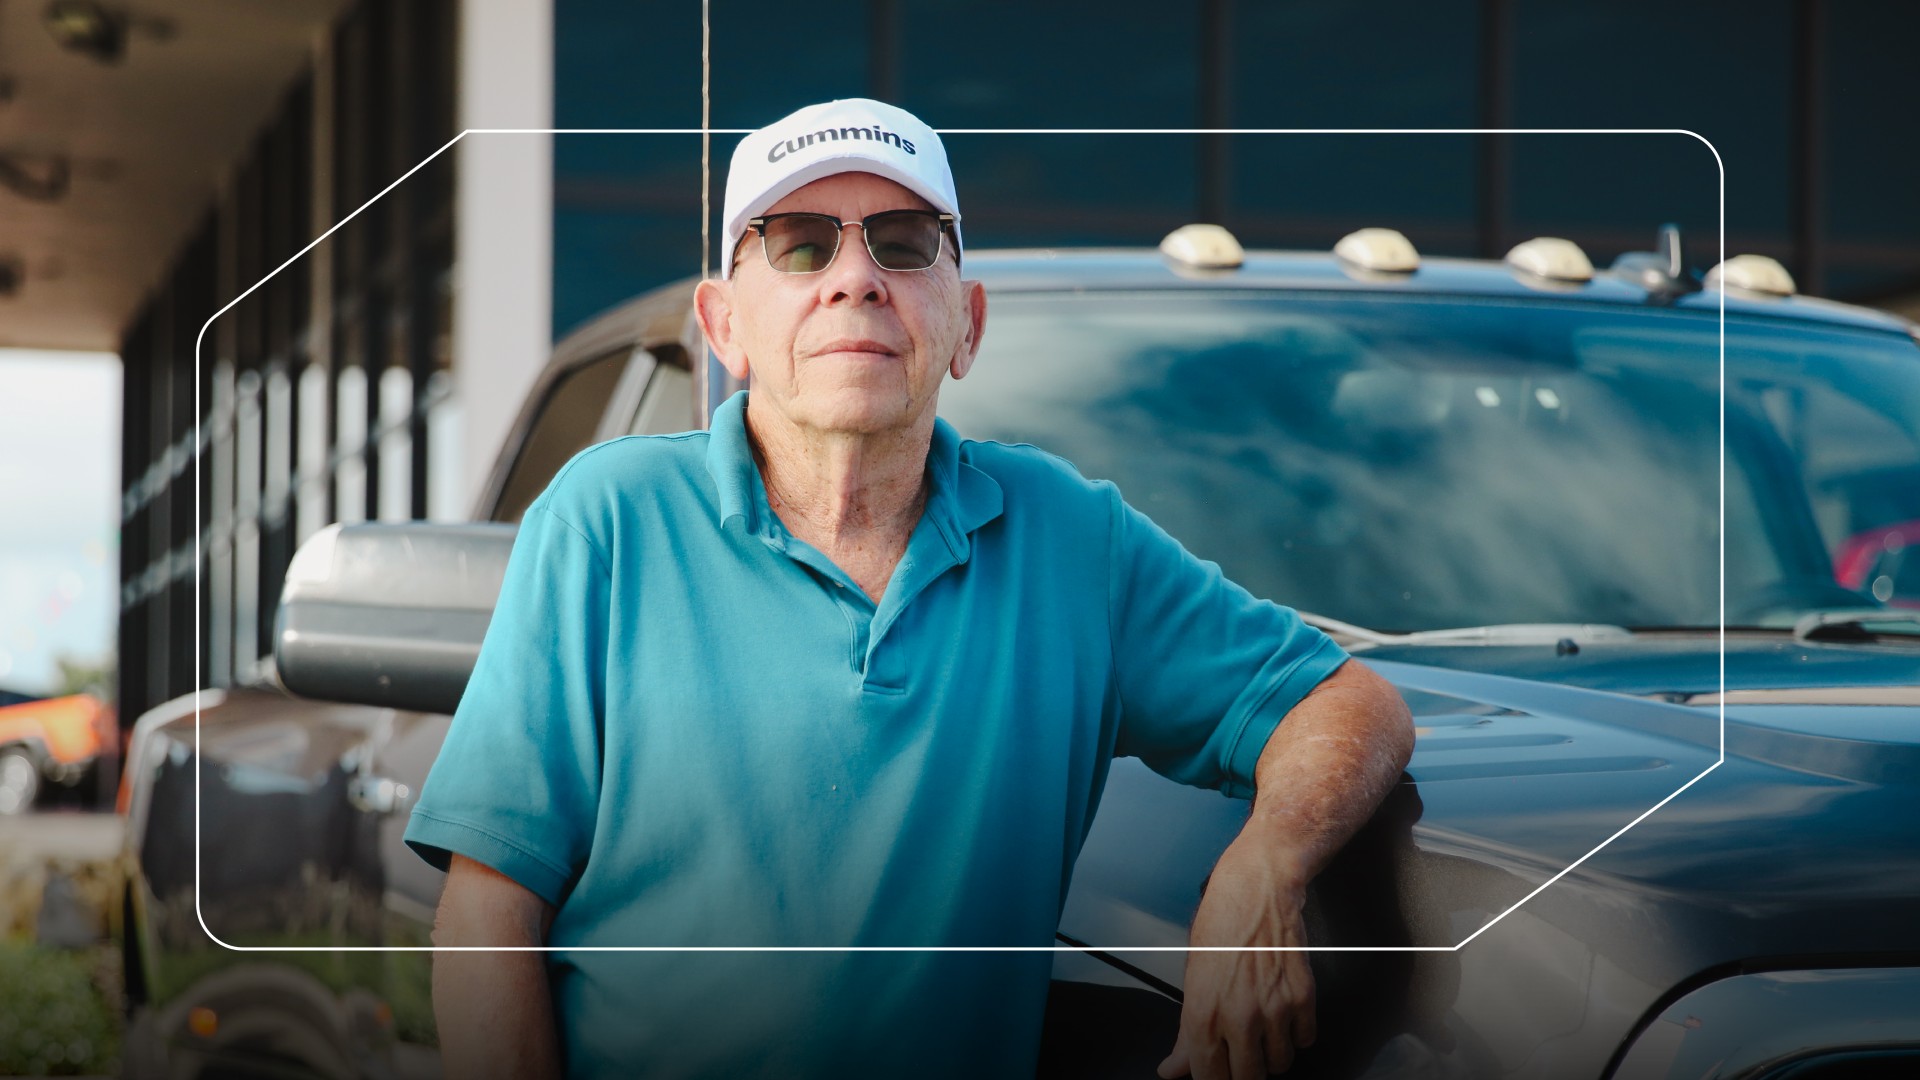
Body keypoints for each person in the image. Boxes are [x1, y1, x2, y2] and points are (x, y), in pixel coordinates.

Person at [404, 97, 1414, 1080]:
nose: (856, 278)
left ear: (966, 324)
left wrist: (1266, 863)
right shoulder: (606, 519)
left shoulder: (1072, 536)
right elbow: (489, 912)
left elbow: (1346, 702)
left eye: (903, 241)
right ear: (725, 326)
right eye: (800, 242)